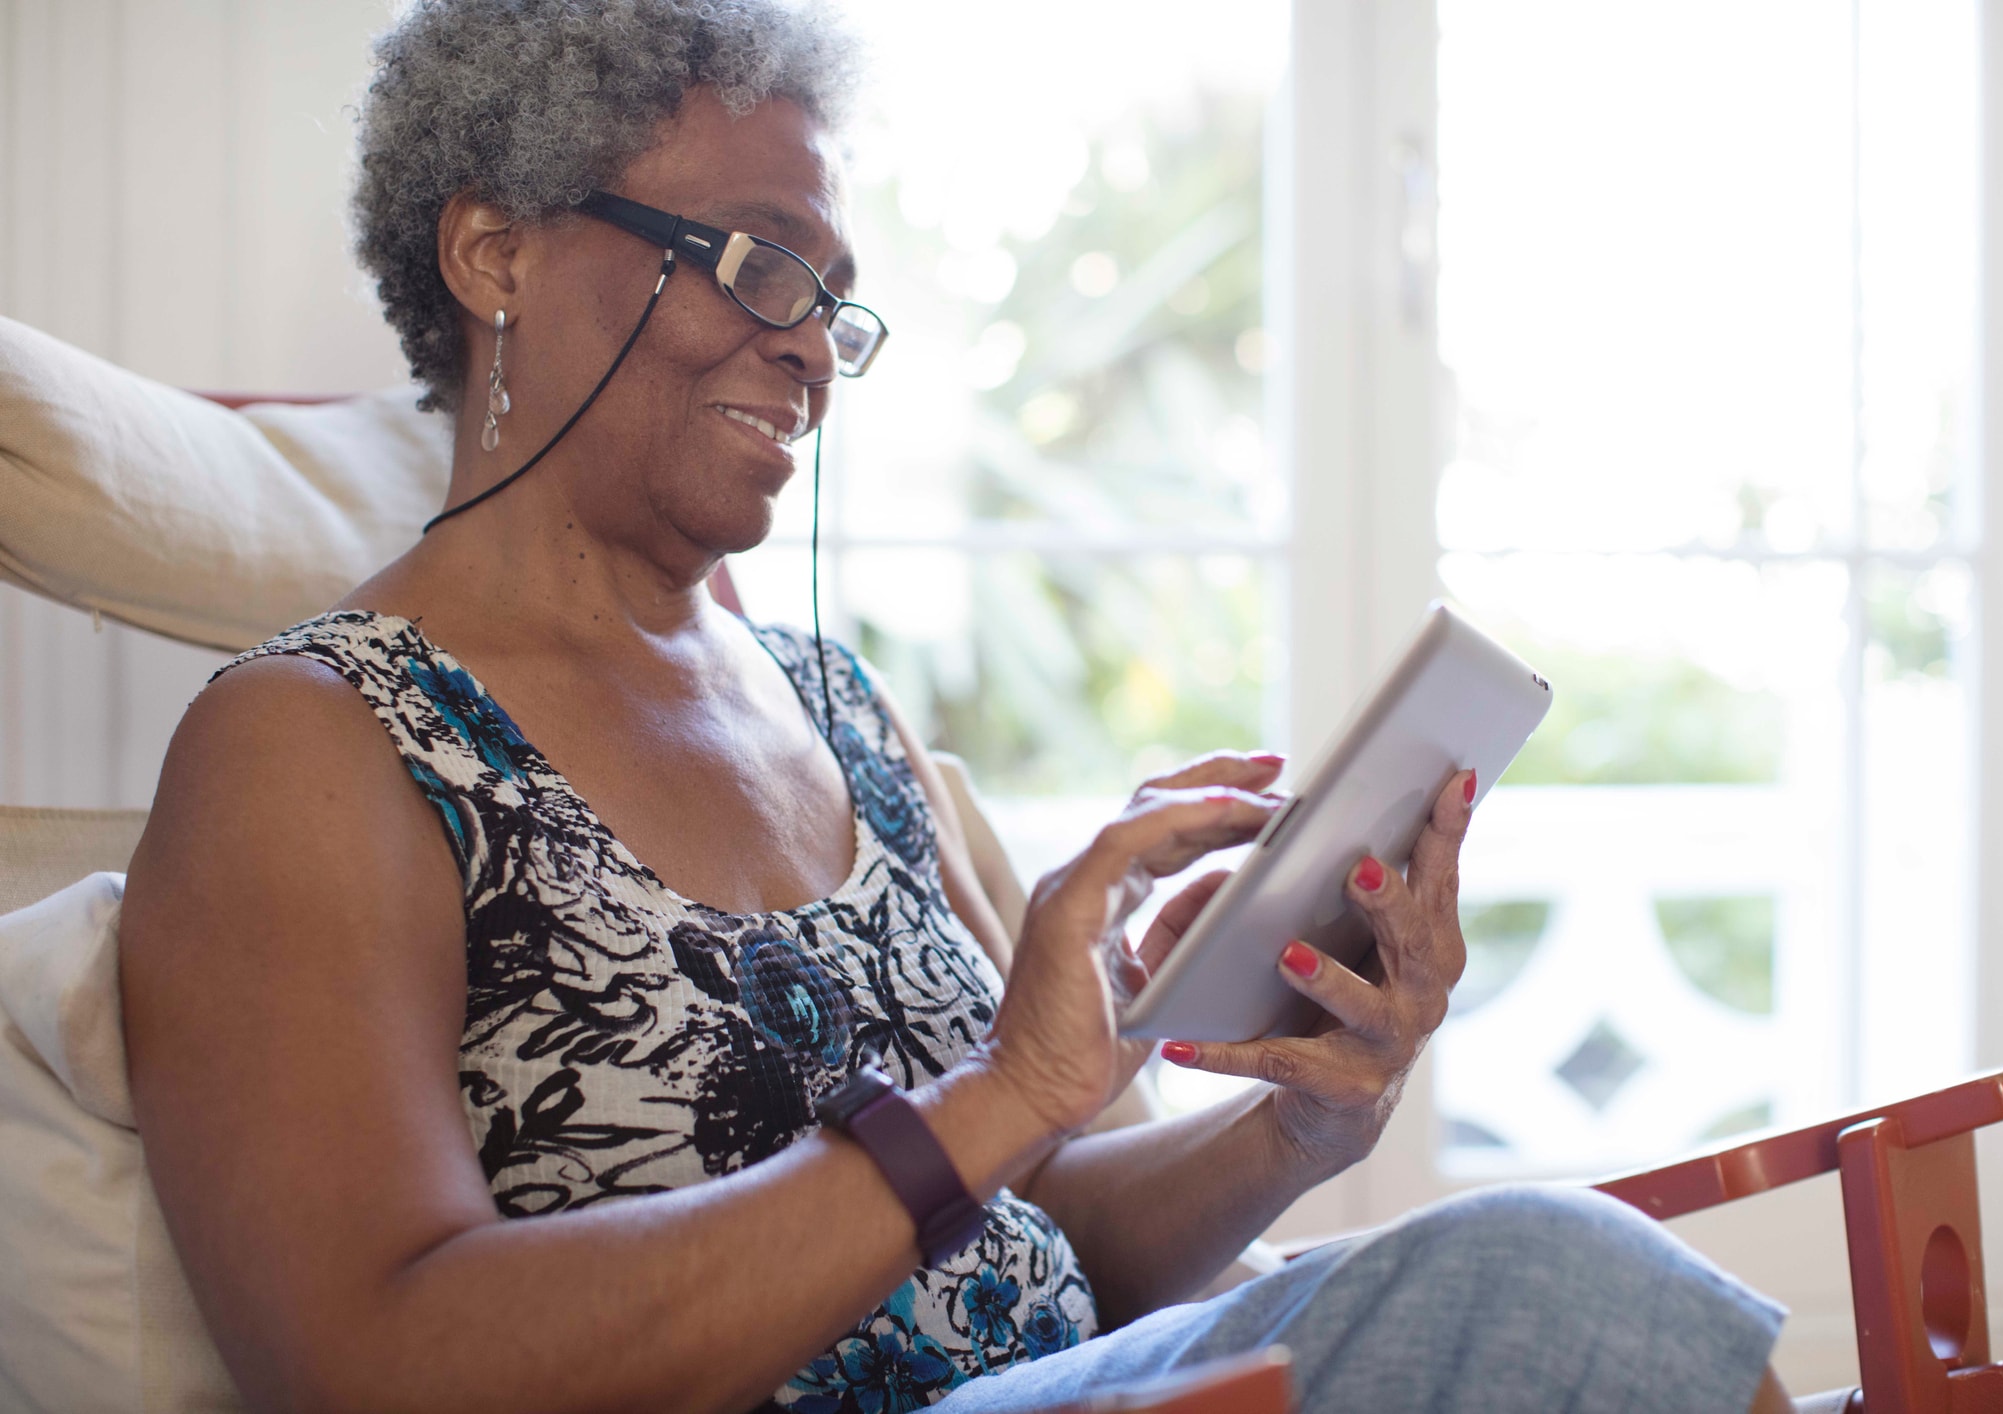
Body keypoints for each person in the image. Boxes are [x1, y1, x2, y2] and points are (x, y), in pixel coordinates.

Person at [117, 2, 1795, 1410]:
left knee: (1567, 1277)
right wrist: (988, 1098)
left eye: (830, 298)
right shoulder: (318, 742)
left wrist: (1298, 1118)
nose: (808, 347)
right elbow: (370, 1360)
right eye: (758, 265)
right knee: (1545, 1282)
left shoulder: (839, 713)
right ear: (492, 250)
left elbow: (1052, 1226)